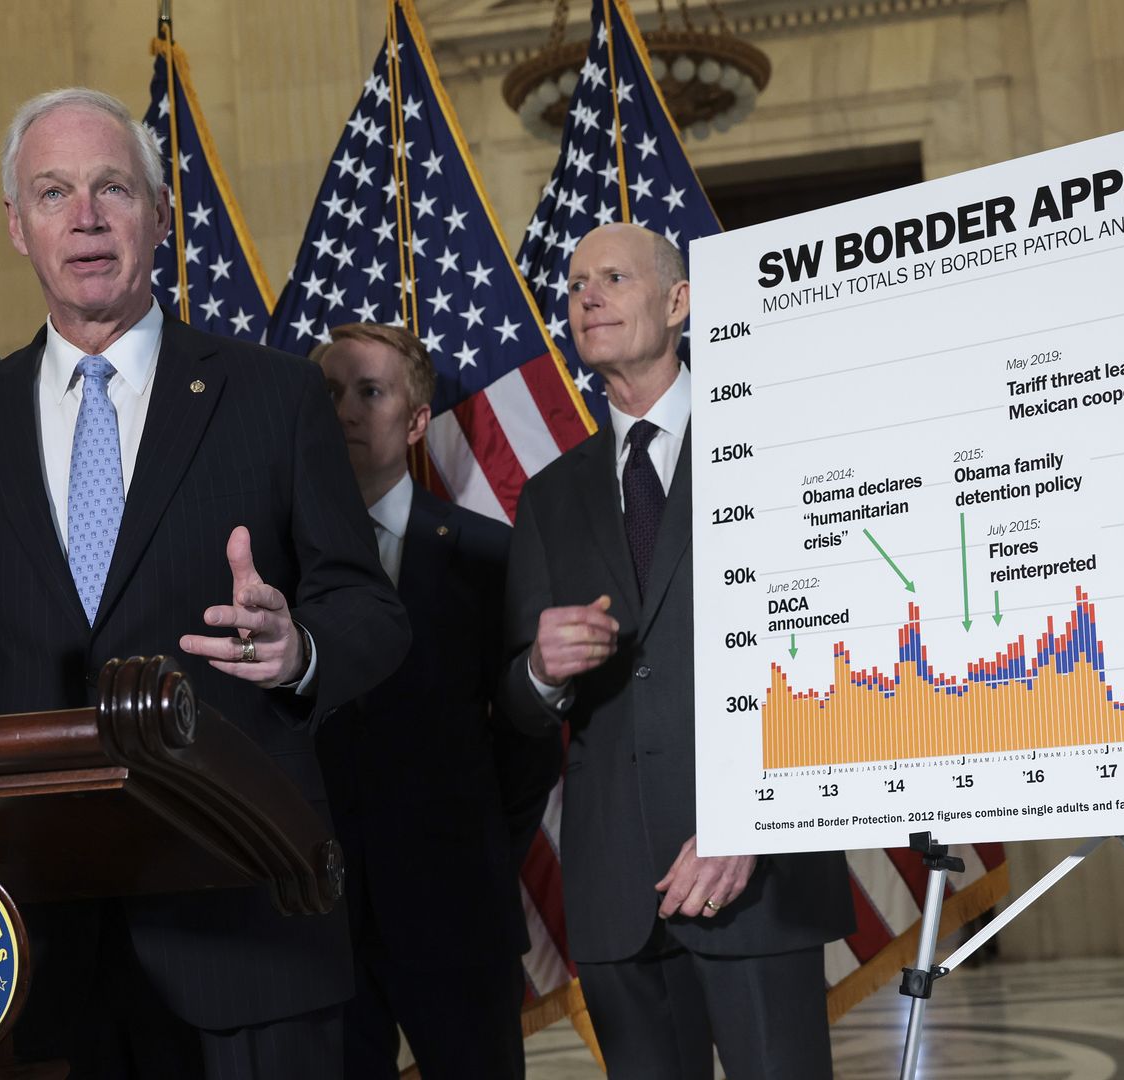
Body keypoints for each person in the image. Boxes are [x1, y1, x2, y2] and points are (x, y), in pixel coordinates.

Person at [0, 87, 407, 1078]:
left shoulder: (271, 396)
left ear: (158, 213)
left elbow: (370, 611)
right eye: (52, 193)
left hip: (245, 934)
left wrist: (299, 647)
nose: (85, 217)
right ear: (17, 226)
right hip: (33, 950)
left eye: (111, 188)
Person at [501, 223, 854, 1079]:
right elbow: (512, 705)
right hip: (620, 893)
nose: (586, 297)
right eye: (577, 283)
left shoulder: (777, 444)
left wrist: (751, 818)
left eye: (613, 277)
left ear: (680, 300)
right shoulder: (549, 496)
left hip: (755, 876)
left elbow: (832, 656)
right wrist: (541, 672)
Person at [310, 324, 560, 1080]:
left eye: (371, 393)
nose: (346, 411)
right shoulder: (271, 559)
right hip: (317, 919)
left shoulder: (487, 556)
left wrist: (473, 849)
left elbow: (527, 742)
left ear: (416, 421)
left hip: (456, 912)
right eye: (329, 394)